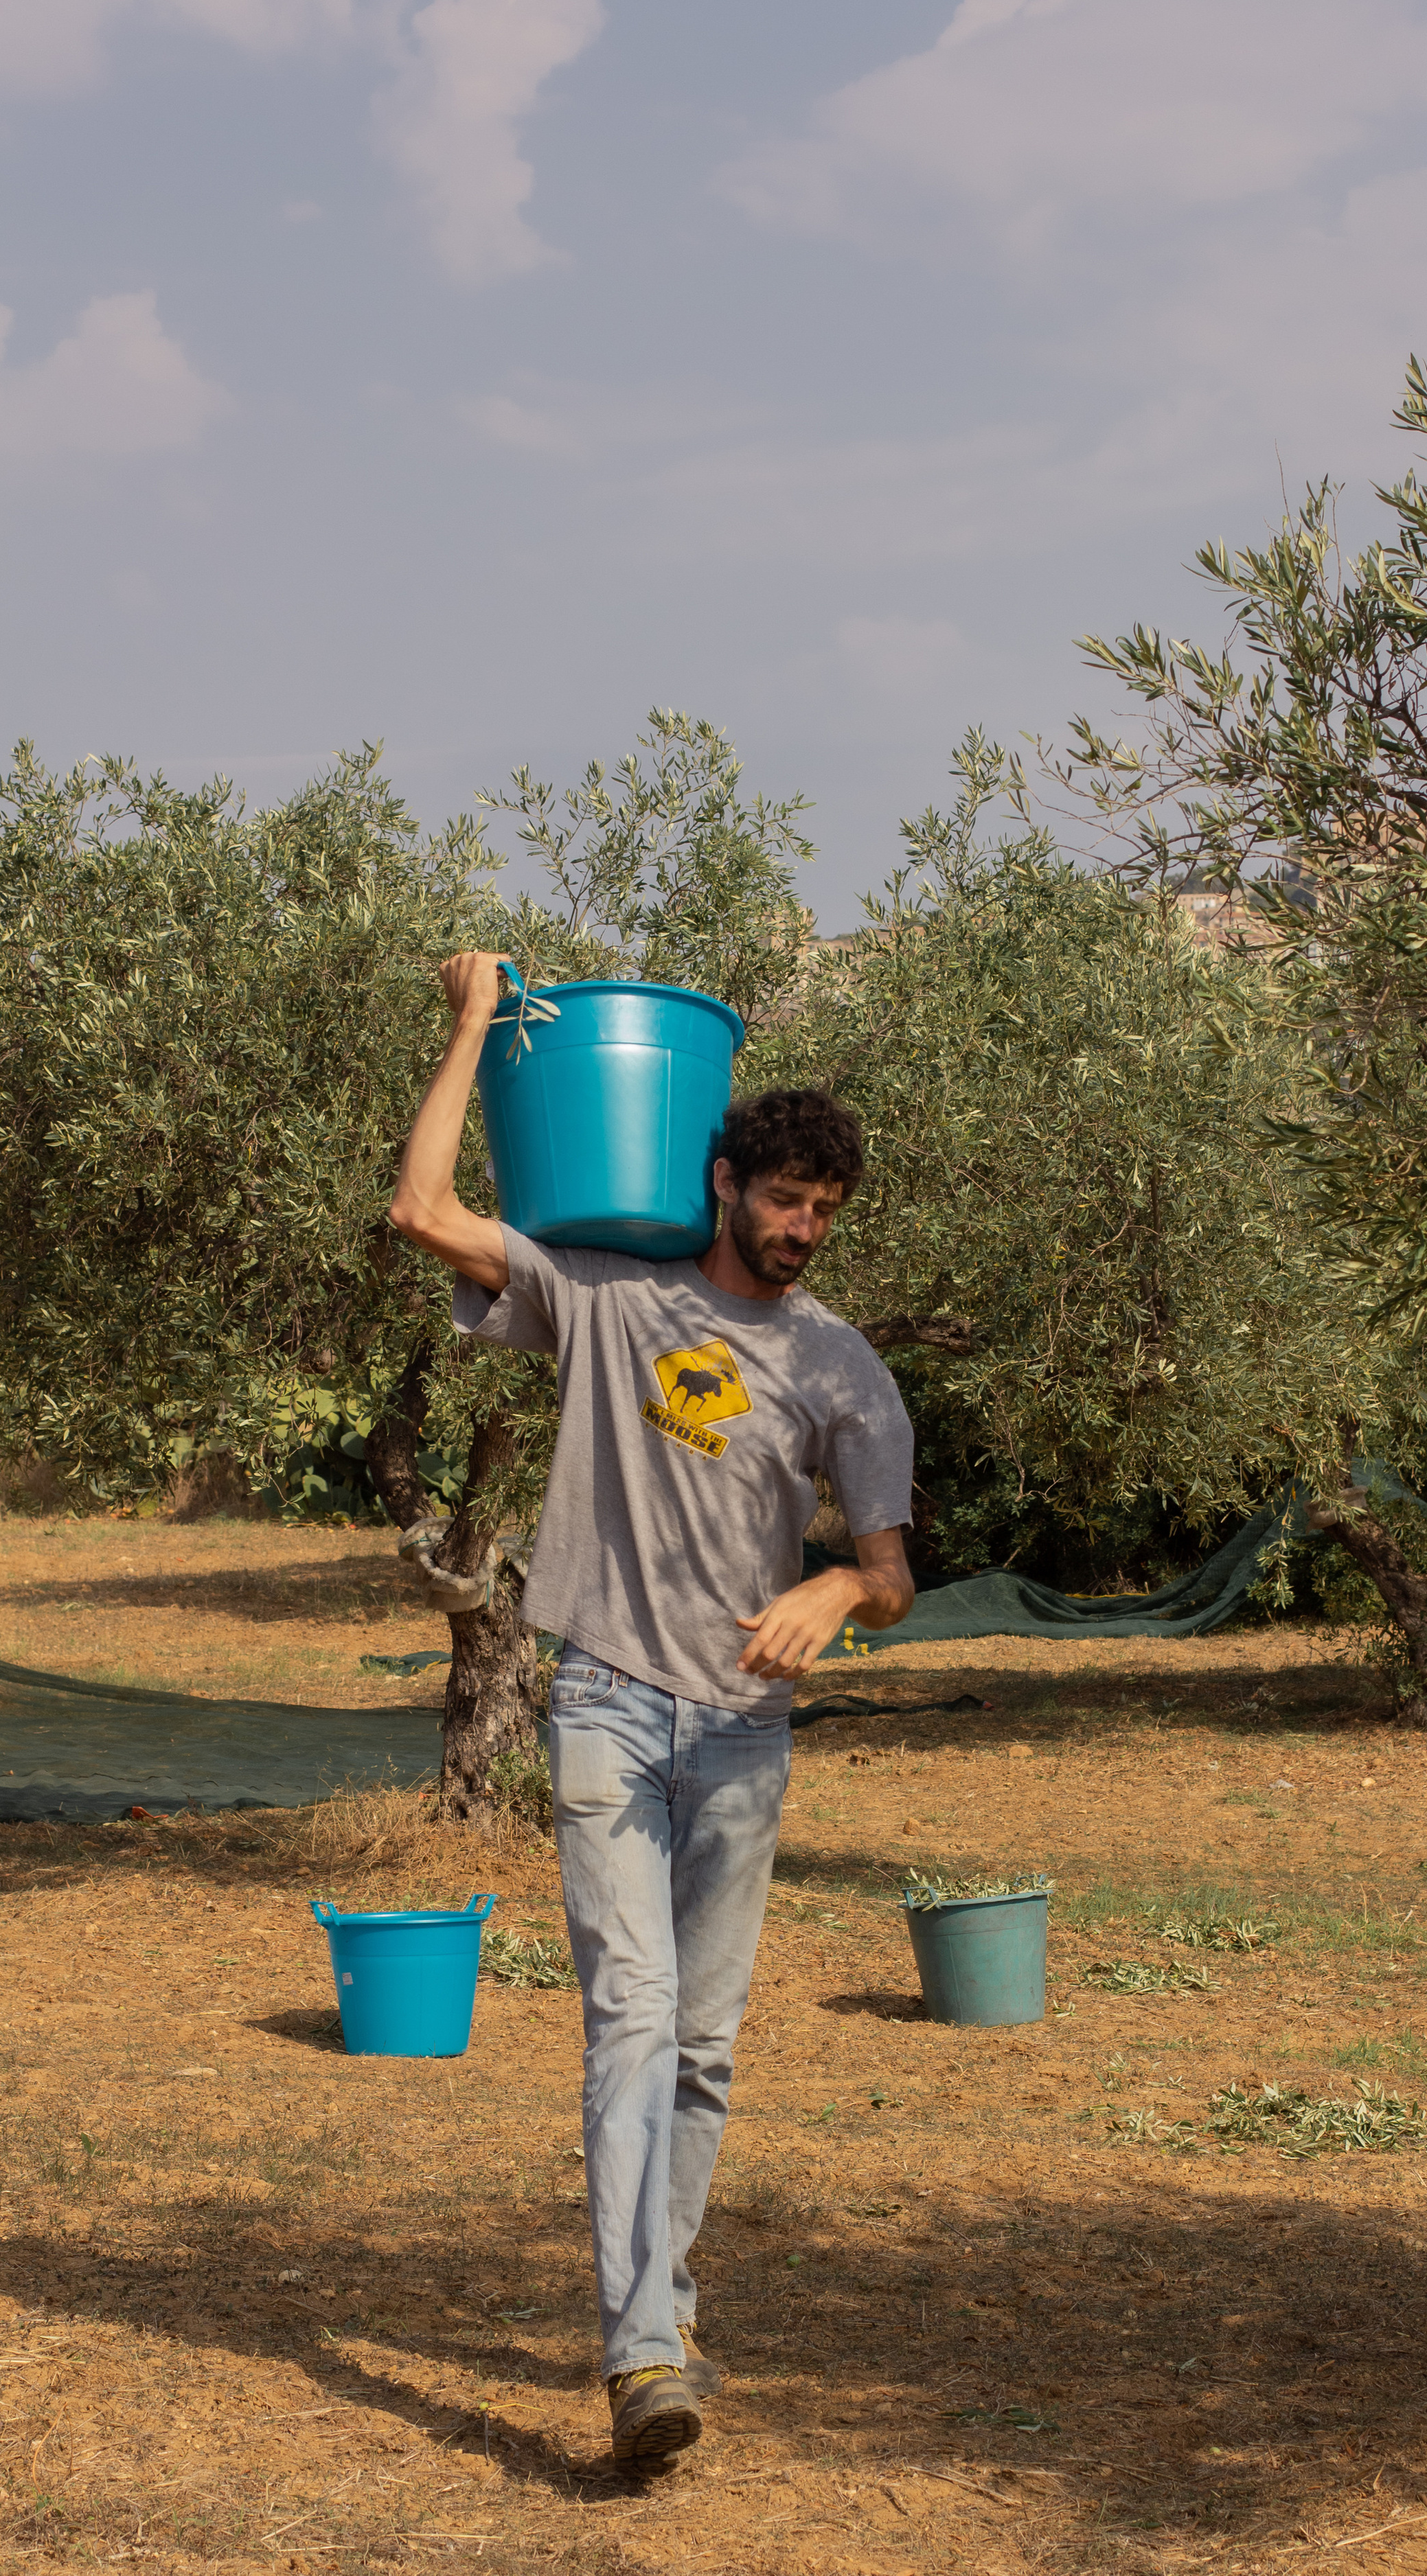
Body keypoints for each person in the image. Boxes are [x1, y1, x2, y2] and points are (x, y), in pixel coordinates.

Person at [387, 952, 916, 2468]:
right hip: (610, 1708)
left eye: (826, 1211)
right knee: (627, 2017)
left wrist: (834, 1595)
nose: (804, 1229)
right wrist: (475, 1023)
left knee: (705, 2047)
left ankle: (660, 2312)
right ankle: (638, 2356)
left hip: (743, 1732)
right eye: (785, 1199)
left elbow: (889, 1574)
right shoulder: (607, 1297)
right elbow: (422, 1211)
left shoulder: (844, 1370)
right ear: (724, 1178)